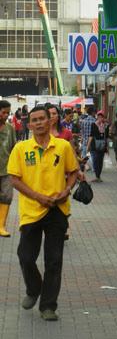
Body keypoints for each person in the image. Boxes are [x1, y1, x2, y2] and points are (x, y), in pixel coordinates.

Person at [7, 105, 79, 321]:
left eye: (42, 119)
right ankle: (34, 288)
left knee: (54, 260)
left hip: (57, 210)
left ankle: (48, 306)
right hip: (31, 211)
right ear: (29, 124)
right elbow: (14, 179)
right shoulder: (21, 149)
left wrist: (66, 191)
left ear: (50, 121)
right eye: (34, 120)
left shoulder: (63, 146)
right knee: (25, 256)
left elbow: (73, 172)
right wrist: (38, 197)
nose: (38, 123)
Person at [0, 100, 17, 237]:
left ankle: (1, 226)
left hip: (6, 170)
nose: (6, 115)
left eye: (7, 113)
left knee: (6, 197)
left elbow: (13, 149)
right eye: (3, 112)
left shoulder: (10, 129)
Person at [86, 110, 108, 183]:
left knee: (100, 162)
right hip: (94, 146)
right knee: (95, 161)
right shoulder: (93, 125)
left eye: (102, 117)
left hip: (102, 146)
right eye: (99, 116)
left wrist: (106, 147)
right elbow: (91, 135)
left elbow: (106, 137)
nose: (100, 118)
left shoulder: (105, 126)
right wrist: (88, 146)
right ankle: (96, 176)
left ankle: (98, 176)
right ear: (97, 117)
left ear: (104, 117)